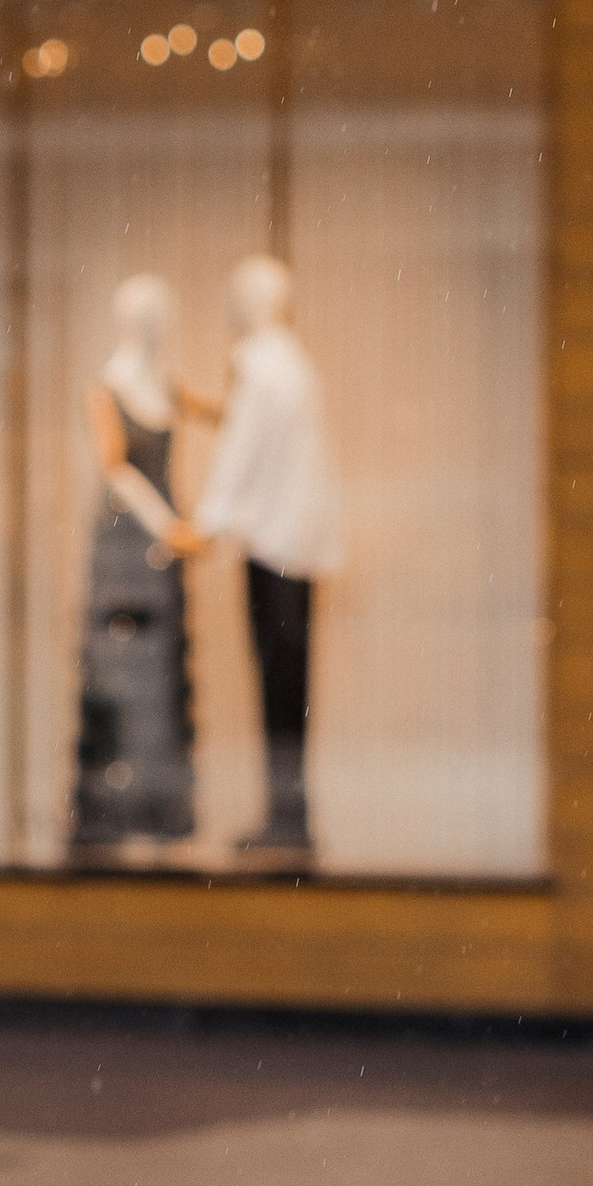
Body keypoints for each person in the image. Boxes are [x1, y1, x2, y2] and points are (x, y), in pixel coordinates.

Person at [194, 251, 342, 858]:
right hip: (300, 545)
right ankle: (291, 811)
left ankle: (286, 816)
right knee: (291, 684)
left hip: (273, 547)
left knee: (278, 679)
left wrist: (204, 525)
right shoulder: (294, 362)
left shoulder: (258, 362)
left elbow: (242, 451)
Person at [68, 270, 209, 858]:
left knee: (159, 672)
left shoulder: (166, 385)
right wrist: (166, 523)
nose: (159, 324)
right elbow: (114, 466)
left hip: (163, 548)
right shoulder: (109, 385)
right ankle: (112, 810)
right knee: (119, 667)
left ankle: (161, 809)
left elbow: (225, 414)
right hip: (127, 544)